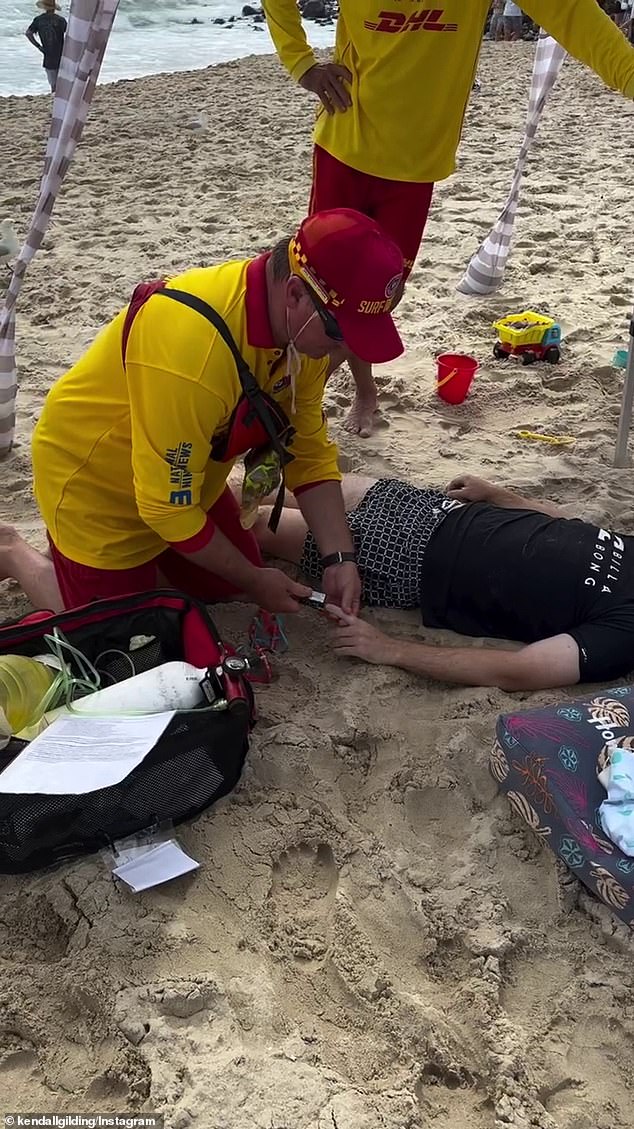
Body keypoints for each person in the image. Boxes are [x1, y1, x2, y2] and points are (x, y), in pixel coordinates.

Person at [0, 209, 405, 617]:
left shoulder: (304, 331)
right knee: (126, 638)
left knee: (227, 585)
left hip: (183, 476)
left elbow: (308, 450)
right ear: (296, 293)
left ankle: (137, 576)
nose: (342, 352)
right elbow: (165, 508)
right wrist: (253, 578)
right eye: (340, 334)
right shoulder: (195, 349)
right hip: (98, 484)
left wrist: (340, 558)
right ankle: (14, 552)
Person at [264, 0, 634, 437]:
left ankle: (351, 394)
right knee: (320, 292)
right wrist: (302, 64)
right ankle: (325, 400)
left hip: (416, 167)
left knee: (377, 299)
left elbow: (573, 15)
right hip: (343, 146)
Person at [245, 472, 634, 690]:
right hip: (431, 507)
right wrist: (500, 495)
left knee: (257, 524)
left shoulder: (624, 635)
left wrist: (390, 649)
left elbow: (520, 670)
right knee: (269, 484)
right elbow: (574, 526)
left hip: (407, 561)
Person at [25, 0, 67, 94]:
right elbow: (70, 35)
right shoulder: (61, 20)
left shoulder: (38, 20)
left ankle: (55, 99)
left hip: (48, 55)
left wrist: (39, 46)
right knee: (64, 83)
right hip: (62, 54)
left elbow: (28, 33)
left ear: (44, 7)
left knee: (53, 85)